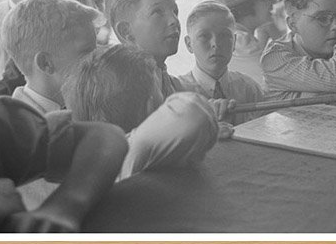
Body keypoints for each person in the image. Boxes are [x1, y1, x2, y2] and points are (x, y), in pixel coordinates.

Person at [0, 0, 127, 233]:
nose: (98, 62)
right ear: (45, 63)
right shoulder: (11, 137)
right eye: (86, 53)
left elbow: (104, 136)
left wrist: (65, 206)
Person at [63, 45, 222, 179]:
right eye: (160, 92)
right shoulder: (129, 156)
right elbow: (192, 111)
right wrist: (211, 114)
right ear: (150, 104)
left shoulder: (94, 159)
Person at [2, 0, 99, 115]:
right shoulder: (16, 125)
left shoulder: (92, 108)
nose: (98, 59)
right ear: (46, 63)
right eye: (86, 53)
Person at [179, 1, 263, 119]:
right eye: (204, 36)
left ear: (234, 42)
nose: (216, 43)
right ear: (189, 44)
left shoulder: (249, 89)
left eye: (224, 36)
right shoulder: (178, 93)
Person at [110, 0, 183, 97]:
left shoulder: (178, 87)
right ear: (126, 31)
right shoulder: (116, 93)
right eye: (157, 12)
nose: (174, 20)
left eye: (175, 12)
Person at [219, 0, 282, 67]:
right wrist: (280, 40)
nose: (274, 1)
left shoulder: (235, 38)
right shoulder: (243, 46)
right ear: (248, 4)